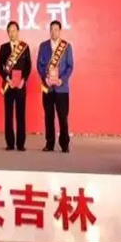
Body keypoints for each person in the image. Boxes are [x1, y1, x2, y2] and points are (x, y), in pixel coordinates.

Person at [37, 20, 74, 153]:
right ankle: (49, 143)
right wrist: (45, 78)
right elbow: (39, 65)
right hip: (47, 87)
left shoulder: (66, 46)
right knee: (49, 116)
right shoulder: (43, 46)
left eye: (56, 29)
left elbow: (70, 66)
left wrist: (61, 80)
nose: (54, 32)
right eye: (51, 29)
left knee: (63, 117)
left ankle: (64, 144)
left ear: (60, 31)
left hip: (61, 88)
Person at [0, 21, 32, 151]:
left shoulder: (25, 47)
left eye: (13, 31)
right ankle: (10, 143)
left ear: (18, 31)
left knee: (20, 115)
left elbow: (28, 66)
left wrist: (23, 79)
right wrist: (7, 79)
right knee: (8, 115)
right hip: (9, 86)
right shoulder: (4, 48)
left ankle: (21, 144)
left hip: (21, 86)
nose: (11, 33)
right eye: (9, 31)